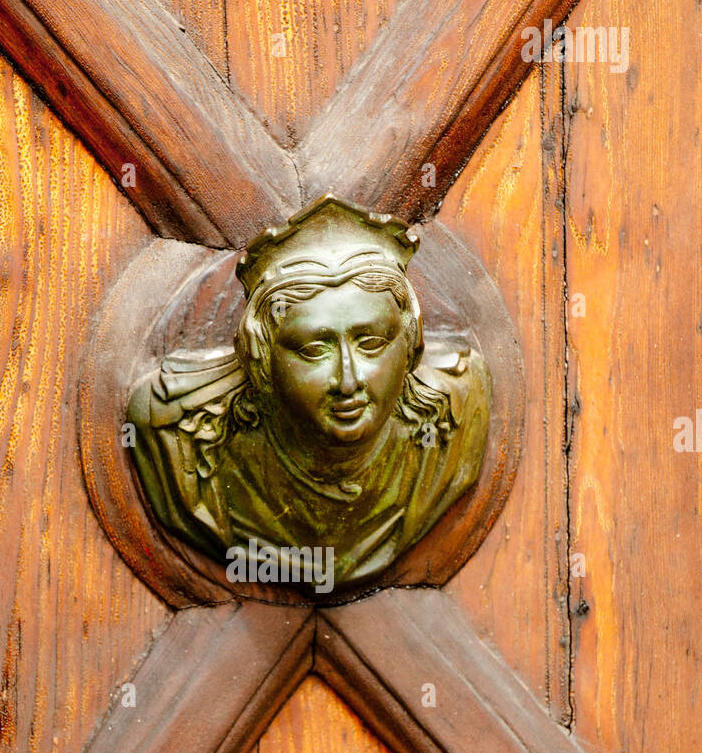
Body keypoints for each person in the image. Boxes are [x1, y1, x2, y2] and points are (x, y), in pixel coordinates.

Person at [126, 194, 490, 591]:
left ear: (410, 343)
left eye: (371, 344)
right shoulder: (177, 435)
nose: (348, 380)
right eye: (314, 350)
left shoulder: (458, 409)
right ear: (261, 358)